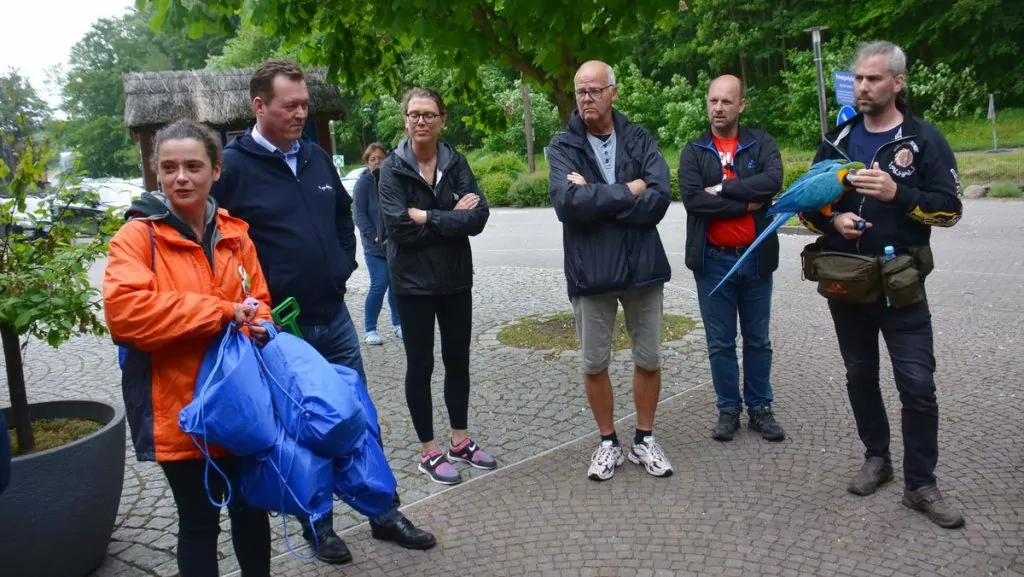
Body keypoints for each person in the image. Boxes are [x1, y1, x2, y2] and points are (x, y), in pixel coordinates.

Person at [210, 60, 436, 564]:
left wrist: (341, 264)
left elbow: (340, 215)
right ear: (259, 106)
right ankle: (320, 525)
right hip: (281, 332)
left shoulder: (315, 156)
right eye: (290, 106)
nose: (300, 114)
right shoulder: (235, 166)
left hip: (332, 316)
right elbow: (214, 238)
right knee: (302, 428)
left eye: (305, 105)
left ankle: (383, 513)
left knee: (356, 415)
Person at [798, 41, 964, 529]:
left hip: (901, 283)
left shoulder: (923, 141)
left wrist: (901, 193)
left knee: (917, 383)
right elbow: (808, 206)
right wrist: (834, 223)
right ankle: (877, 458)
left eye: (874, 79)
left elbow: (950, 210)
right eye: (859, 78)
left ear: (898, 83)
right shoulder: (838, 140)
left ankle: (921, 484)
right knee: (859, 376)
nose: (864, 86)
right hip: (848, 283)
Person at [103, 119, 273, 576]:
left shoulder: (236, 234)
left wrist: (261, 326)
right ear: (157, 173)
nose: (182, 177)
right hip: (180, 412)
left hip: (242, 404)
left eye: (194, 166)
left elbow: (261, 302)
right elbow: (127, 315)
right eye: (170, 167)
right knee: (199, 523)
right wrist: (220, 312)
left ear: (215, 170)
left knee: (252, 511)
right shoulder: (137, 238)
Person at [546, 60, 674, 482]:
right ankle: (607, 443)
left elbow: (658, 198)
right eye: (581, 91)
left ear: (613, 92)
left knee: (649, 357)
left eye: (595, 90)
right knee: (594, 362)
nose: (587, 98)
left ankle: (644, 438)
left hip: (642, 266)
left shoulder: (638, 138)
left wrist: (598, 198)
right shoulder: (563, 145)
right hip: (591, 270)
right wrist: (628, 190)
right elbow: (568, 205)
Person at [378, 87, 496, 486]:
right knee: (421, 366)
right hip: (412, 285)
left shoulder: (455, 161)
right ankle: (428, 450)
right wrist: (448, 217)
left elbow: (478, 218)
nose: (421, 121)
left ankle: (459, 440)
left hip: (455, 280)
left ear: (443, 120)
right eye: (414, 114)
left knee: (458, 361)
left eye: (429, 114)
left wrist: (425, 216)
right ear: (405, 120)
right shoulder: (392, 168)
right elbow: (396, 228)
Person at [678, 74, 786, 443]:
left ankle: (760, 408)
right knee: (720, 343)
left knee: (758, 340)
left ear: (741, 105)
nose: (718, 108)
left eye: (726, 101)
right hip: (713, 261)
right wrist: (745, 203)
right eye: (713, 101)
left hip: (755, 260)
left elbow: (773, 181)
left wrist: (723, 188)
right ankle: (728, 409)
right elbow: (694, 200)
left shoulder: (760, 143)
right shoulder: (694, 151)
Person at [353, 142, 402, 345]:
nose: (376, 162)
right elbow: (359, 214)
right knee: (379, 284)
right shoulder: (363, 183)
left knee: (395, 286)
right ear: (367, 161)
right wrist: (373, 235)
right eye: (372, 159)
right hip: (374, 247)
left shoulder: (390, 180)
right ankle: (370, 328)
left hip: (393, 245)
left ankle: (398, 324)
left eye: (380, 159)